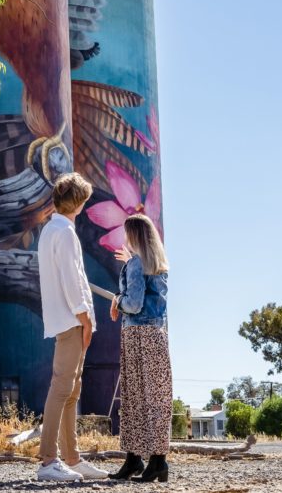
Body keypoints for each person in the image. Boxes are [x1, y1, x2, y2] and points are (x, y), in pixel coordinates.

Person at [36, 173, 108, 482]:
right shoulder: (64, 233)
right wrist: (85, 318)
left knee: (70, 391)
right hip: (71, 321)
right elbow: (72, 279)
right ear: (77, 203)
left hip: (67, 320)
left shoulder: (51, 230)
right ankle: (48, 461)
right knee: (62, 388)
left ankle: (71, 458)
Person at [109, 213, 172, 483]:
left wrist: (117, 300)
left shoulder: (136, 264)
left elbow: (133, 304)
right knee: (156, 399)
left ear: (133, 236)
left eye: (127, 234)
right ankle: (154, 461)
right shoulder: (157, 264)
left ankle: (137, 459)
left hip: (137, 335)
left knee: (134, 398)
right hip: (156, 336)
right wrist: (129, 265)